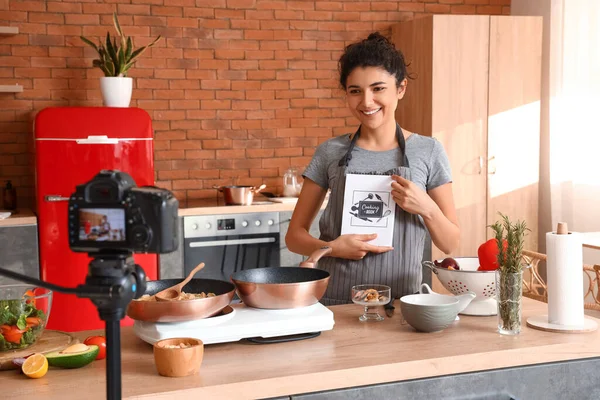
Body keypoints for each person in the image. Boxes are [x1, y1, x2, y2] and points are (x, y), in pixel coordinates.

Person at [285, 33, 460, 305]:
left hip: (403, 306)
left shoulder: (428, 151)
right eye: (355, 91)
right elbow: (294, 237)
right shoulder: (330, 152)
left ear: (400, 89)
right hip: (336, 303)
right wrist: (332, 247)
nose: (366, 102)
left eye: (378, 89)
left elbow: (450, 243)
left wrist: (426, 207)